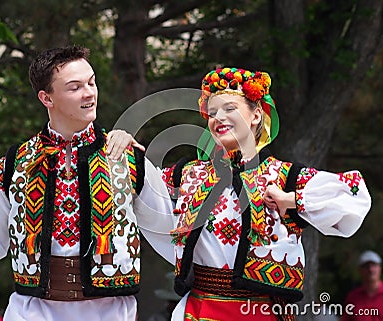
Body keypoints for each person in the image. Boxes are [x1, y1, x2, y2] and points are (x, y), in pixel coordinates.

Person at [109, 67, 372, 320]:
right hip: (202, 310)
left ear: (256, 115)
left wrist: (291, 200)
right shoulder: (190, 175)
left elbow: (354, 194)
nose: (218, 118)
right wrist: (122, 143)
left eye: (229, 108)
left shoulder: (284, 177)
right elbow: (143, 185)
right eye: (212, 112)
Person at [0, 45, 171, 321]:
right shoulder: (14, 165)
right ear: (46, 98)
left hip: (110, 313)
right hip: (32, 312)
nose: (89, 93)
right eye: (75, 87)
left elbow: (173, 231)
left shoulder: (128, 159)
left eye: (92, 82)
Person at [342, 250, 383, 321]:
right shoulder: (353, 297)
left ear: (380, 268)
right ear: (360, 270)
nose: (371, 269)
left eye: (374, 266)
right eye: (367, 266)